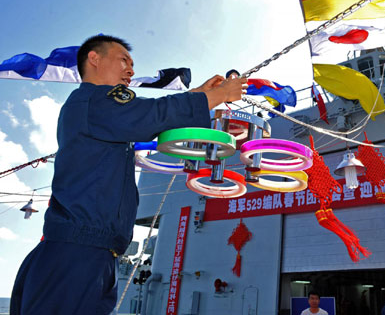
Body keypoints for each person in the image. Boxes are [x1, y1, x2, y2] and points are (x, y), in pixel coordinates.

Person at [10, 34, 247, 315]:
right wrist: (216, 97)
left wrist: (196, 95)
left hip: (94, 255)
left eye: (132, 64)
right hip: (76, 254)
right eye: (123, 60)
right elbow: (149, 115)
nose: (131, 70)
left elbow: (144, 114)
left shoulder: (103, 111)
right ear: (94, 59)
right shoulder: (91, 101)